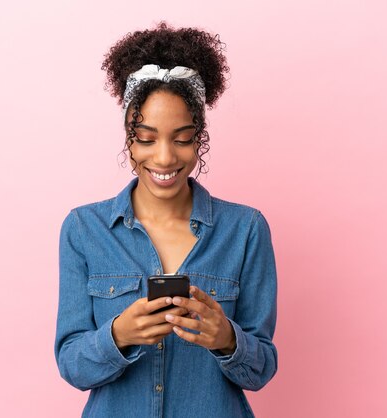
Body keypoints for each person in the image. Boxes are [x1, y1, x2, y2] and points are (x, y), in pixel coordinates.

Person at [55, 22, 278, 418]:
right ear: (128, 136)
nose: (164, 158)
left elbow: (261, 370)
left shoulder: (245, 230)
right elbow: (72, 365)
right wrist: (118, 337)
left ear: (200, 137)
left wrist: (227, 338)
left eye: (181, 138)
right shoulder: (83, 230)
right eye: (147, 137)